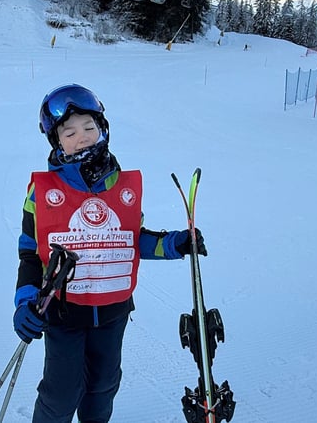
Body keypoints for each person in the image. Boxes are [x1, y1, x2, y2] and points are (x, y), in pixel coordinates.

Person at [13, 84, 208, 423]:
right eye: (70, 132)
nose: (82, 137)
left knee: (103, 386)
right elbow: (30, 253)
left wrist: (174, 244)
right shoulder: (41, 193)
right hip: (63, 312)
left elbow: (131, 239)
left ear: (102, 128)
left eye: (89, 127)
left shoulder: (121, 188)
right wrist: (24, 301)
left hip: (112, 313)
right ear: (57, 141)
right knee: (61, 393)